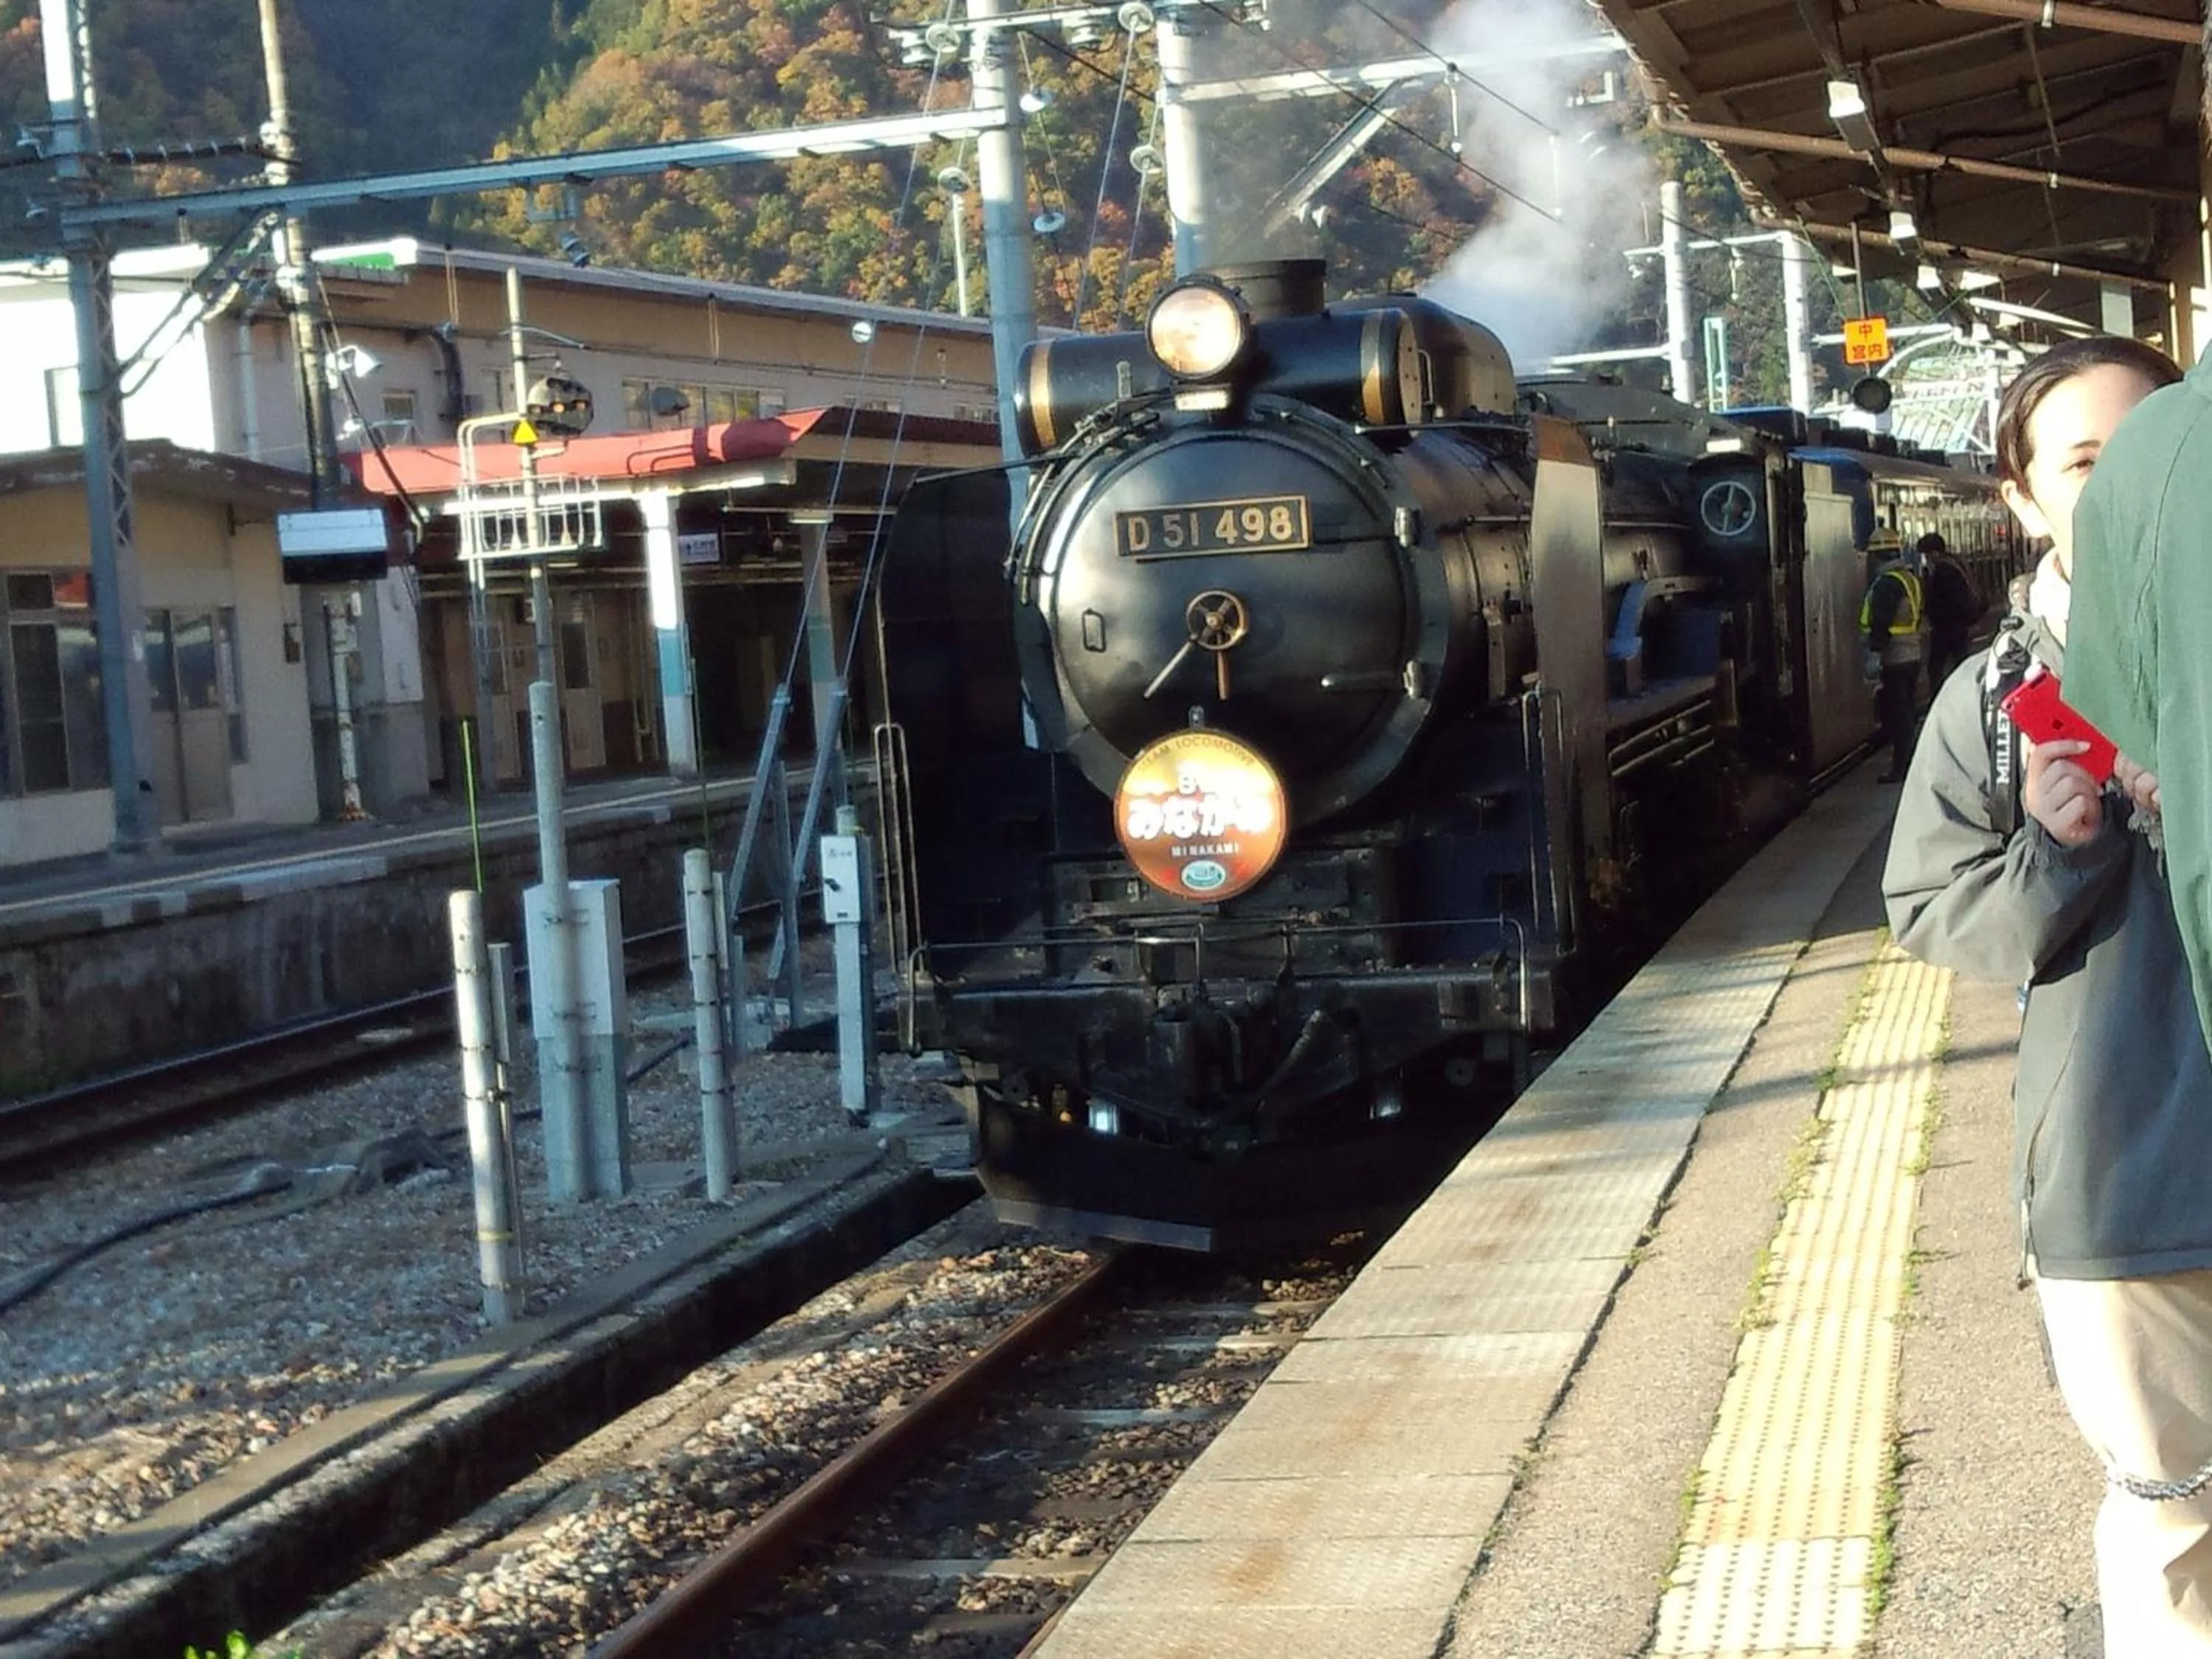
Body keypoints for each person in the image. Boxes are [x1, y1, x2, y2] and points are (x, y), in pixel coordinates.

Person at [1881, 333, 2212, 1658]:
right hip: (2123, 1166)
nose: (2123, 482)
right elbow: (1931, 910)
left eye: (2149, 449)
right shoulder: (1995, 704)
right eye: (2084, 461)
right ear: (2022, 500)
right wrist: (2059, 850)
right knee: (2174, 1509)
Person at [1858, 529, 1922, 782]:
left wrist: (1874, 653)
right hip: (1911, 654)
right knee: (1904, 711)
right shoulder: (1908, 578)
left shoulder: (1887, 584)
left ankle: (1902, 767)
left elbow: (1881, 621)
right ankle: (1905, 762)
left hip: (1894, 657)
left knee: (1898, 715)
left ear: (1877, 556)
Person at [1916, 530, 1979, 693]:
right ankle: (1964, 694)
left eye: (1926, 555)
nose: (1926, 560)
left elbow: (1942, 599)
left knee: (1936, 667)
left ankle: (1941, 700)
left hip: (1947, 626)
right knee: (1959, 662)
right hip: (1957, 624)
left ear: (1935, 553)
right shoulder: (1954, 563)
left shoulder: (1943, 571)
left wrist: (1930, 612)